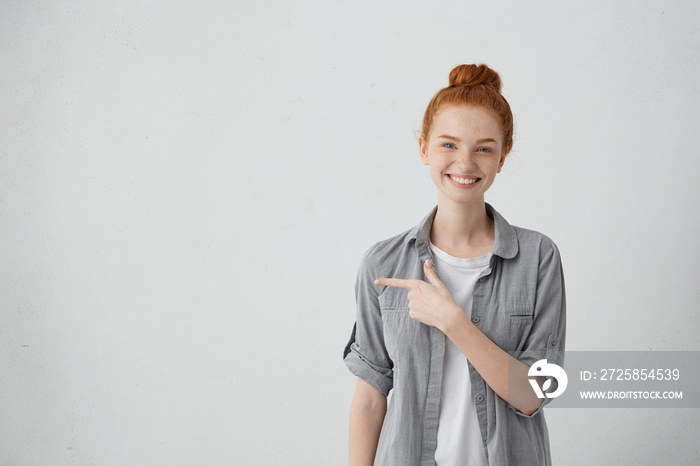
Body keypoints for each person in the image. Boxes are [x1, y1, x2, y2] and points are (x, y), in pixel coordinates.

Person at [343, 64, 566, 465]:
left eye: (483, 148)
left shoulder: (538, 258)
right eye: (448, 145)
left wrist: (454, 322)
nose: (465, 163)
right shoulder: (383, 262)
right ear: (424, 148)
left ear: (502, 157)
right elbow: (370, 399)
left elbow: (534, 395)